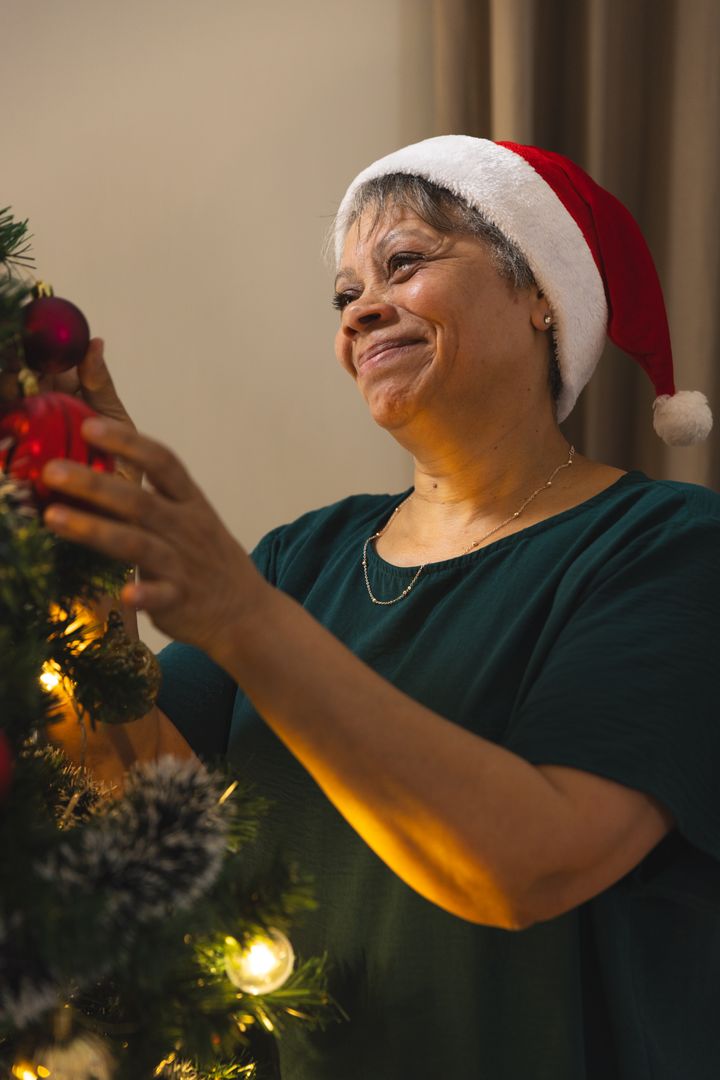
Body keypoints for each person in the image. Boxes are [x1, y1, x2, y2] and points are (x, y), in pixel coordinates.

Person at [42, 136, 720, 1080]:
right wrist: (72, 571)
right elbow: (139, 799)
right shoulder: (305, 557)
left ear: (542, 296)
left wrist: (241, 615)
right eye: (344, 294)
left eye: (403, 264)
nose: (361, 309)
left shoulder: (667, 546)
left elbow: (534, 862)